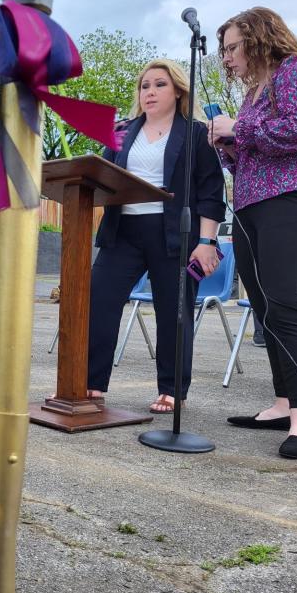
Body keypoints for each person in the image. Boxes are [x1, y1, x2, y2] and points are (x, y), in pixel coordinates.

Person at [210, 7, 297, 459]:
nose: (226, 58)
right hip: (251, 206)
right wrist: (227, 145)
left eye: (232, 47)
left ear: (260, 37)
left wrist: (237, 128)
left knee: (287, 304)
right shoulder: (253, 95)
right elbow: (249, 156)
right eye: (224, 49)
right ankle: (284, 404)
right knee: (266, 308)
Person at [88, 58, 225, 414]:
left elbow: (211, 192)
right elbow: (100, 179)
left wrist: (207, 242)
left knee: (173, 311)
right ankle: (90, 382)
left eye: (159, 84)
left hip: (175, 233)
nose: (149, 91)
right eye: (144, 85)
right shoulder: (122, 130)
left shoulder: (197, 134)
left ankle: (171, 388)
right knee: (99, 300)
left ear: (178, 90)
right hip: (123, 232)